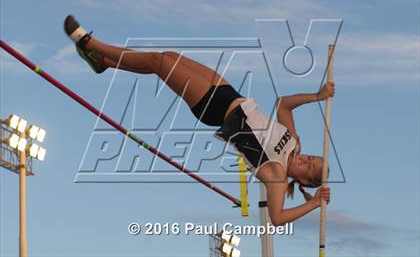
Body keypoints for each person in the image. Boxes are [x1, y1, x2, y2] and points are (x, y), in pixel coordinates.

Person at [64, 15, 332, 226]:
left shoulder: (277, 177)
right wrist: (318, 96)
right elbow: (283, 104)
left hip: (214, 109)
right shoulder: (293, 143)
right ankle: (105, 63)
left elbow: (277, 218)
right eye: (313, 158)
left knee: (159, 62)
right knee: (167, 58)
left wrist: (313, 204)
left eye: (310, 168)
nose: (307, 160)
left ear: (305, 182)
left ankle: (90, 44)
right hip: (231, 93)